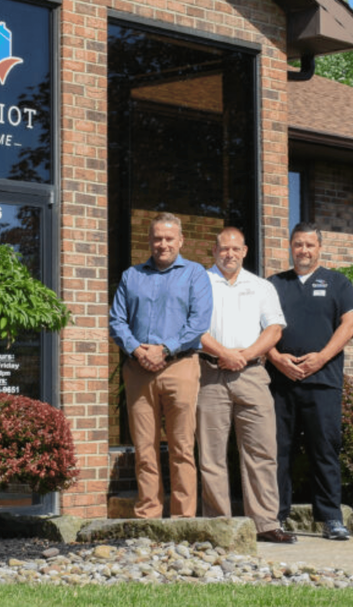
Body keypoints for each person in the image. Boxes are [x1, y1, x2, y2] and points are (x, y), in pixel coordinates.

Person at [109, 212, 213, 518]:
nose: (162, 244)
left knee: (182, 447)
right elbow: (117, 320)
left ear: (180, 240)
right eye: (157, 238)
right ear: (149, 240)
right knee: (144, 447)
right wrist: (137, 350)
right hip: (139, 368)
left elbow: (199, 323)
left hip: (180, 366)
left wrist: (165, 350)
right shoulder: (132, 276)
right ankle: (148, 514)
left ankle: (183, 518)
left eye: (169, 238)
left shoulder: (195, 274)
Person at [197, 227, 296, 544]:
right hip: (209, 374)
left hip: (252, 375)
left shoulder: (261, 287)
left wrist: (245, 356)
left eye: (235, 249)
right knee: (211, 454)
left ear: (245, 251)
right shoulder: (199, 283)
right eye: (223, 248)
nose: (229, 254)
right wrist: (224, 354)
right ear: (214, 251)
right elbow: (194, 327)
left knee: (262, 450)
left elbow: (274, 330)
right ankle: (217, 524)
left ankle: (266, 523)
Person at [267, 222, 353, 540]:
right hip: (281, 383)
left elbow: (349, 325)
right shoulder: (274, 285)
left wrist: (321, 358)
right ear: (290, 246)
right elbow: (260, 328)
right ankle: (276, 517)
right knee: (279, 451)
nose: (303, 250)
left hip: (323, 383)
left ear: (319, 247)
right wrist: (277, 358)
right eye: (298, 244)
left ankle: (331, 519)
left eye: (309, 245)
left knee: (324, 450)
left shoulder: (338, 283)